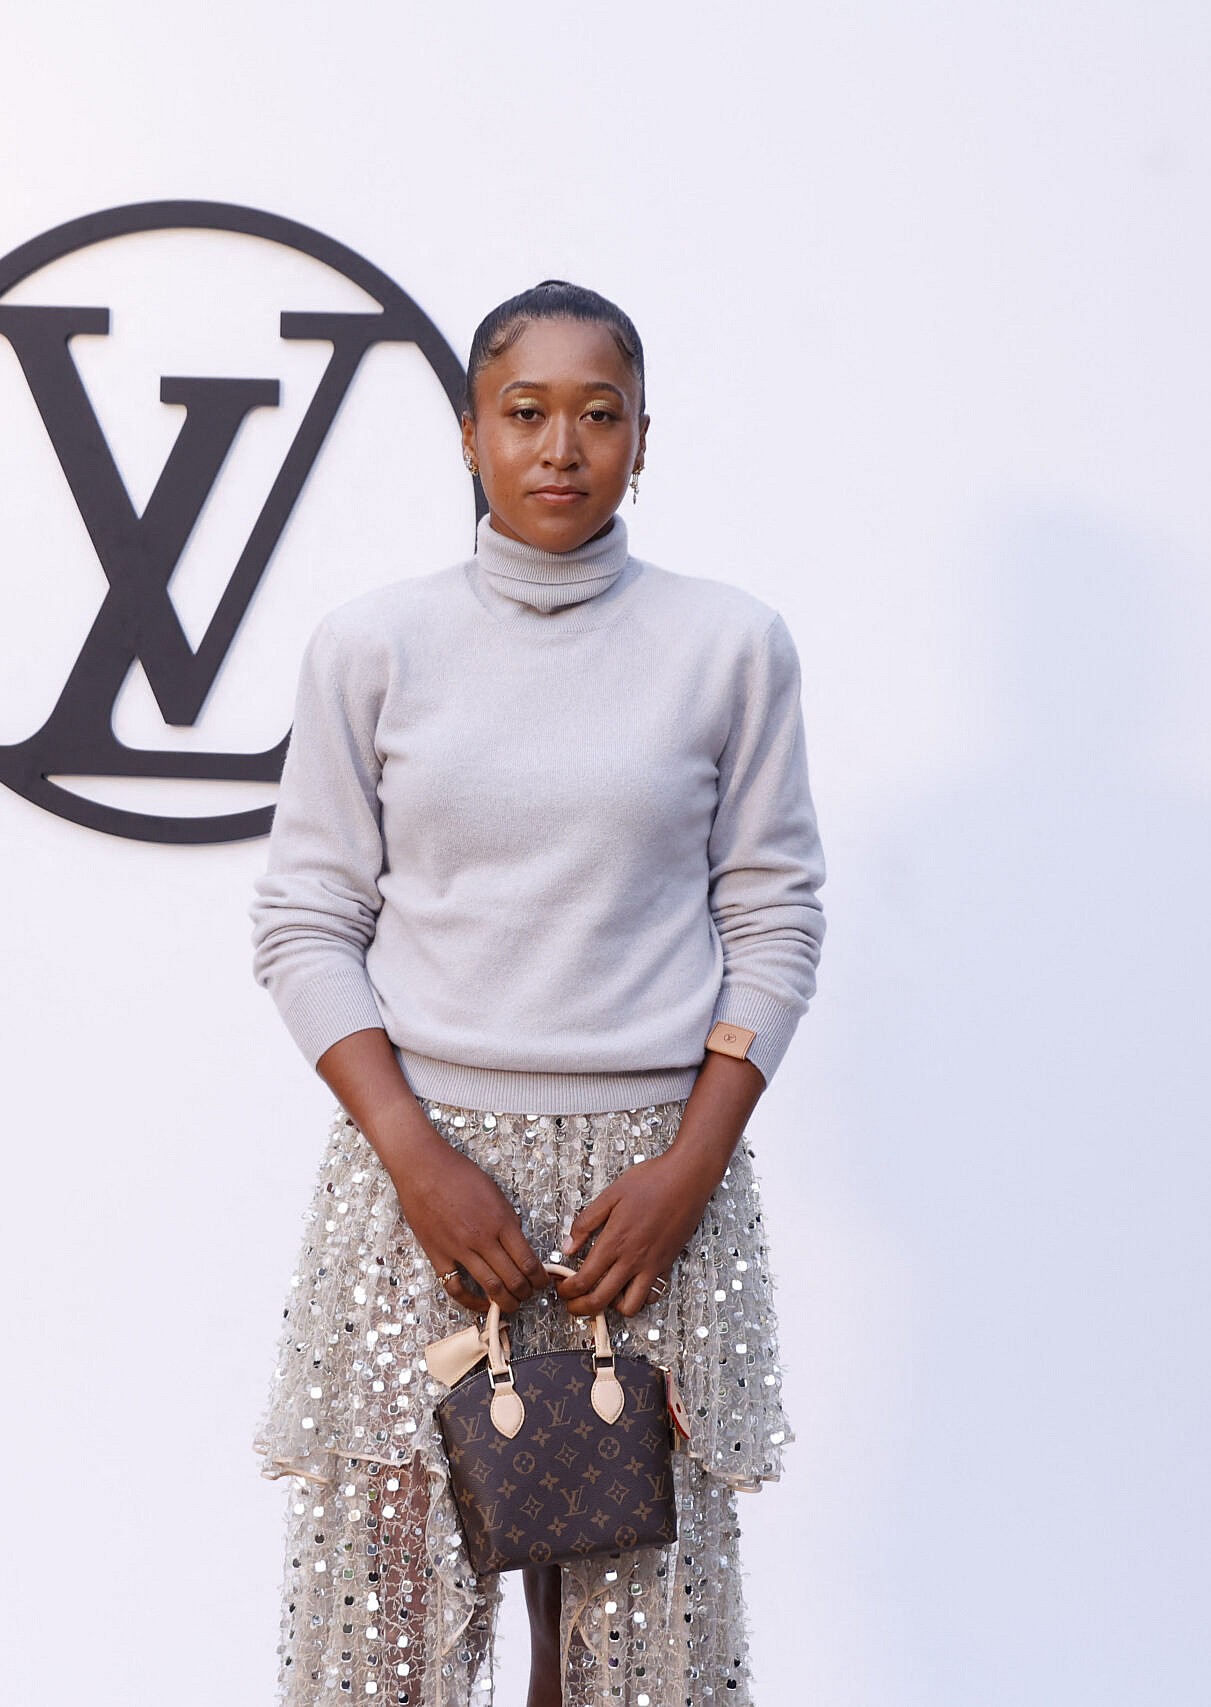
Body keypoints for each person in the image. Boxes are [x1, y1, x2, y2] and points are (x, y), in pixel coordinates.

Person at [250, 280, 826, 1707]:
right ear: (467, 435)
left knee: (628, 1647)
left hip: (647, 1201)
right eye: (526, 413)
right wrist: (419, 1161)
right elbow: (305, 922)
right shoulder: (372, 647)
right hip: (421, 1185)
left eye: (599, 414)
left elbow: (776, 918)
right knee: (384, 1625)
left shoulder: (728, 646)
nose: (561, 446)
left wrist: (689, 1170)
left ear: (643, 438)